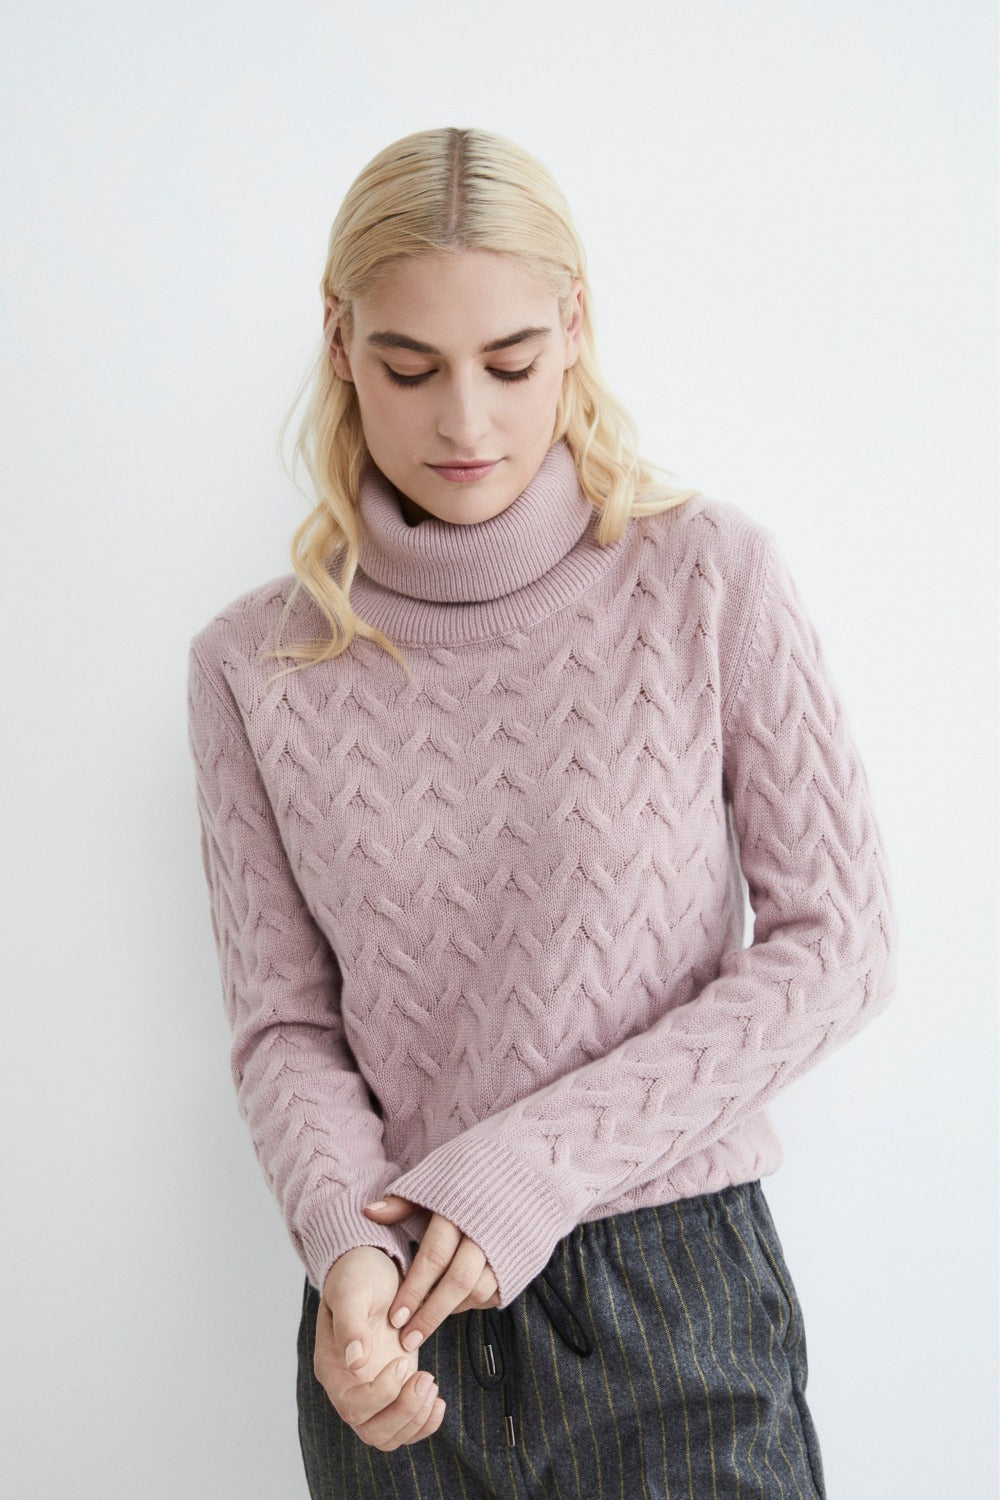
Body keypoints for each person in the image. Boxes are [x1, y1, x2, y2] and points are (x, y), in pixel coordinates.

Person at [186, 126, 898, 1500]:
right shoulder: (252, 666)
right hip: (395, 1323)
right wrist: (345, 1249)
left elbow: (841, 944)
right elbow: (285, 1026)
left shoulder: (707, 579)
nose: (466, 422)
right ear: (339, 344)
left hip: (671, 1297)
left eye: (511, 363)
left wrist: (536, 1164)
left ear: (576, 328)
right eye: (411, 368)